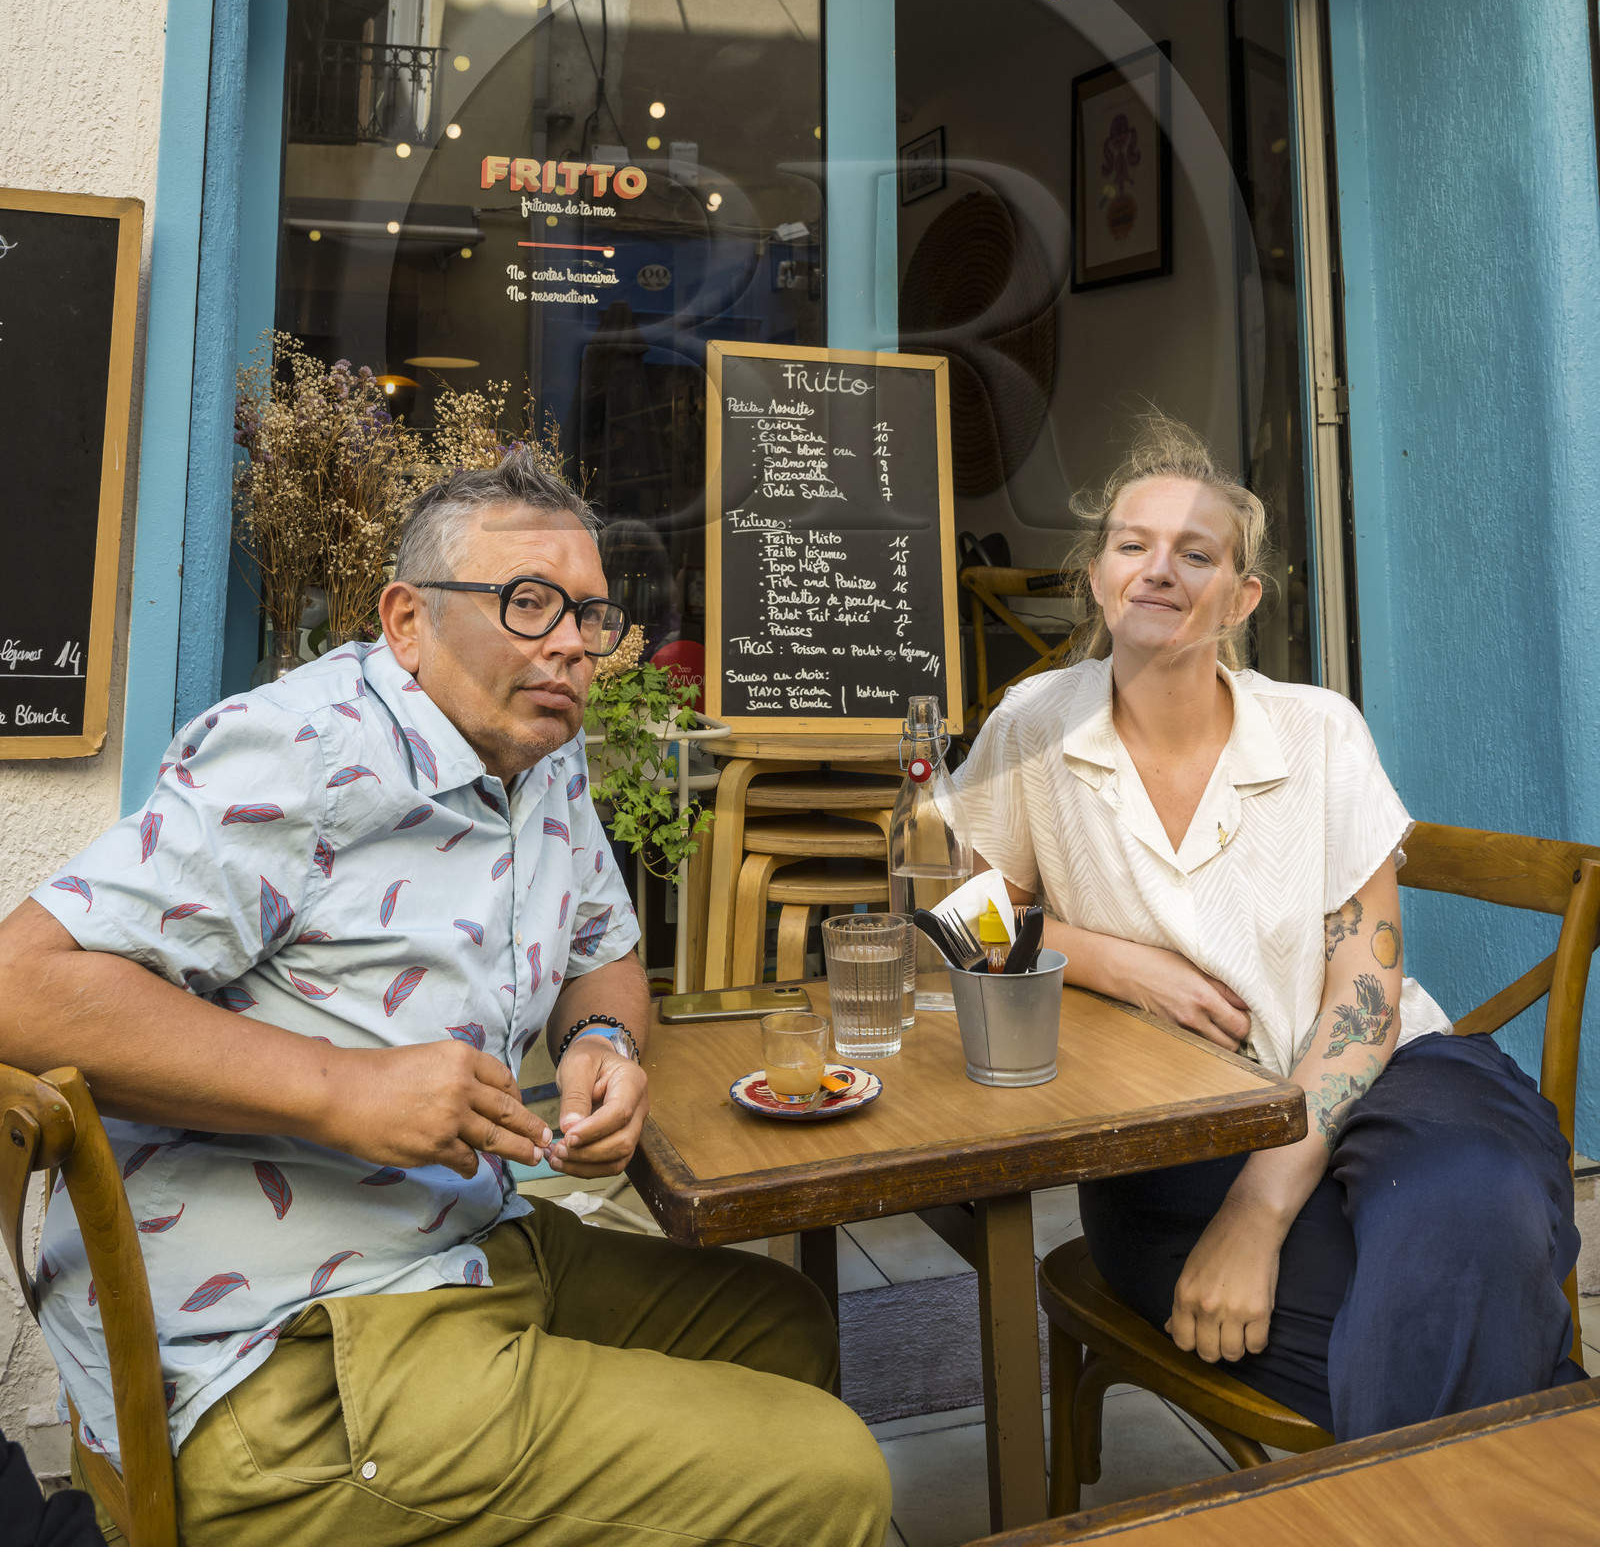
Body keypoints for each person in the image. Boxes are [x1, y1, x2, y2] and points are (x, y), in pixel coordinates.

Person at [0, 452, 890, 1547]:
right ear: (407, 620)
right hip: (280, 1355)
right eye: (528, 604)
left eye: (590, 615)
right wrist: (338, 1090)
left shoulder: (540, 759)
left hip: (466, 1247)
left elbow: (603, 953)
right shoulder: (305, 750)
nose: (571, 642)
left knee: (785, 1326)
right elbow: (20, 985)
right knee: (828, 1473)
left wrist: (603, 1043)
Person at [953, 418, 1582, 1441]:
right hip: (1174, 1146)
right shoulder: (1032, 725)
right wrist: (1106, 959)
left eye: (1195, 554)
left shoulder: (1317, 729)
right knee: (1451, 1324)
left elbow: (1363, 1002)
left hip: (1393, 1077)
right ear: (1095, 574)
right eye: (1131, 544)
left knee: (1476, 1195)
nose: (1158, 570)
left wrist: (1257, 1212)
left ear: (1239, 600)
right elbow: (943, 906)